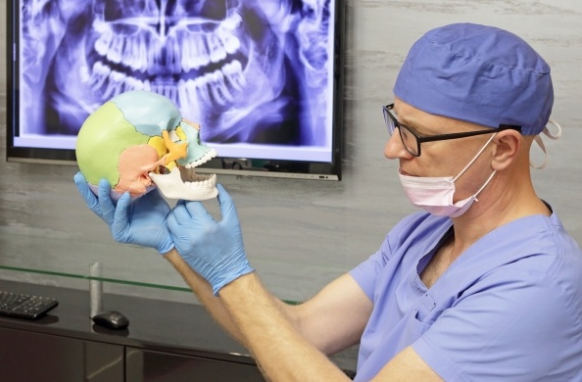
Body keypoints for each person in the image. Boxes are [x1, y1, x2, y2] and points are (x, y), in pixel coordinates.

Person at [75, 22, 582, 381]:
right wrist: (176, 245)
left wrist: (234, 273)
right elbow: (298, 333)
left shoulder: (537, 286)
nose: (392, 149)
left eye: (417, 137)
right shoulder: (422, 235)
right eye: (395, 123)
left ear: (503, 148)